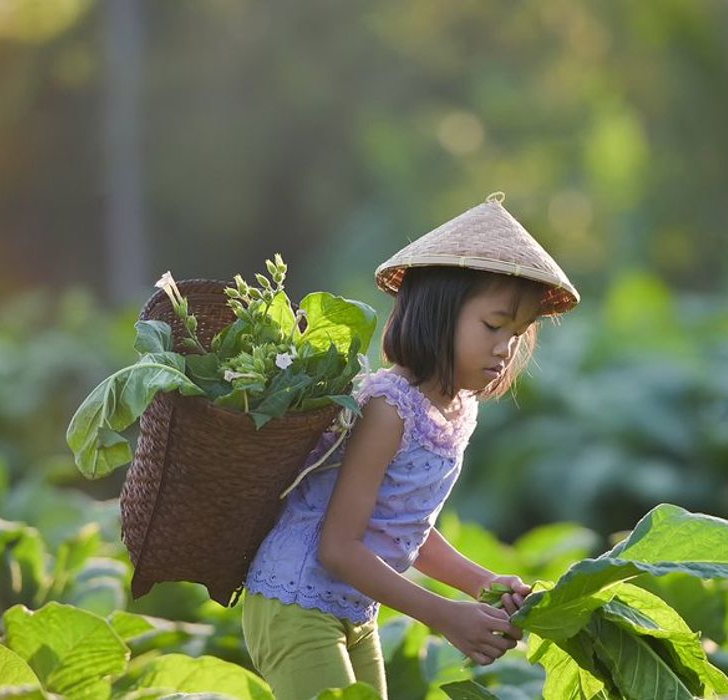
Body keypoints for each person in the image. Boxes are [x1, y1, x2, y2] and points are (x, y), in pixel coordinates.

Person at [241, 192, 580, 700]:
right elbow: (338, 547)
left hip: (354, 607)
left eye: (517, 332)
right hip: (295, 600)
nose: (504, 347)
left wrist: (482, 583)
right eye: (493, 325)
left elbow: (405, 529)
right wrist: (444, 615)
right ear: (438, 315)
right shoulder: (387, 408)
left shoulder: (455, 412)